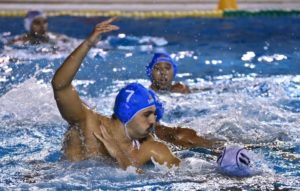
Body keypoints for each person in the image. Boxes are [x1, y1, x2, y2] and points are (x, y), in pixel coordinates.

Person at [52, 17, 218, 171]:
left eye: (154, 114)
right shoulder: (88, 124)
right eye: (147, 114)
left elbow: (190, 177)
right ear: (127, 113)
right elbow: (60, 86)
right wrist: (88, 44)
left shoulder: (151, 147)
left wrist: (118, 155)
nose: (153, 120)